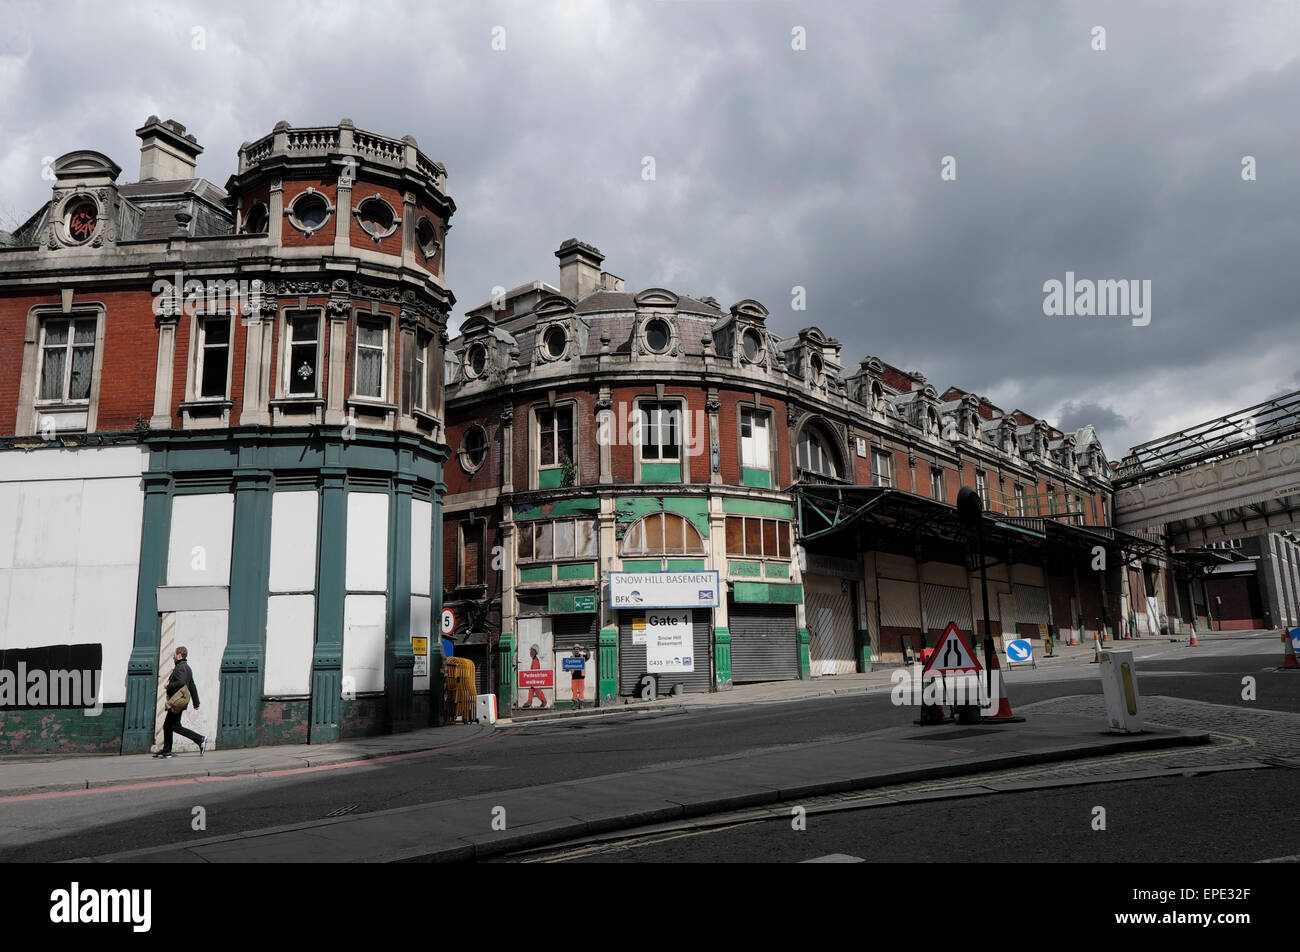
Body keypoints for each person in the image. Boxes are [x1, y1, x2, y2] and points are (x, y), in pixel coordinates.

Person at [155, 646, 207, 758]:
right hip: (180, 702)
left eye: (174, 655)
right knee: (169, 725)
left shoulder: (180, 668)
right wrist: (196, 702)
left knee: (173, 725)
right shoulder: (186, 667)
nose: (173, 657)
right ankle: (166, 750)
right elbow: (192, 685)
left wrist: (169, 685)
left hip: (177, 701)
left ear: (179, 655)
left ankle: (200, 739)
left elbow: (181, 682)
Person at [523, 644, 548, 709]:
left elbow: (535, 671)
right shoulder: (534, 660)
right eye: (530, 651)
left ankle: (544, 701)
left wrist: (532, 677)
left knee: (537, 690)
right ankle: (529, 702)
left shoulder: (535, 661)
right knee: (531, 689)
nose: (530, 653)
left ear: (535, 652)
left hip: (535, 678)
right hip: (533, 678)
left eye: (531, 651)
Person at [569, 643, 590, 709]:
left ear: (579, 650)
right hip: (574, 677)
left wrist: (588, 650)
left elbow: (588, 657)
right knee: (574, 691)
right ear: (574, 650)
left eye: (577, 649)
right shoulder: (571, 658)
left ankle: (581, 704)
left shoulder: (582, 657)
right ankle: (575, 704)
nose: (576, 650)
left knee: (581, 690)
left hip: (581, 676)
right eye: (575, 649)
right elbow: (568, 666)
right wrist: (566, 668)